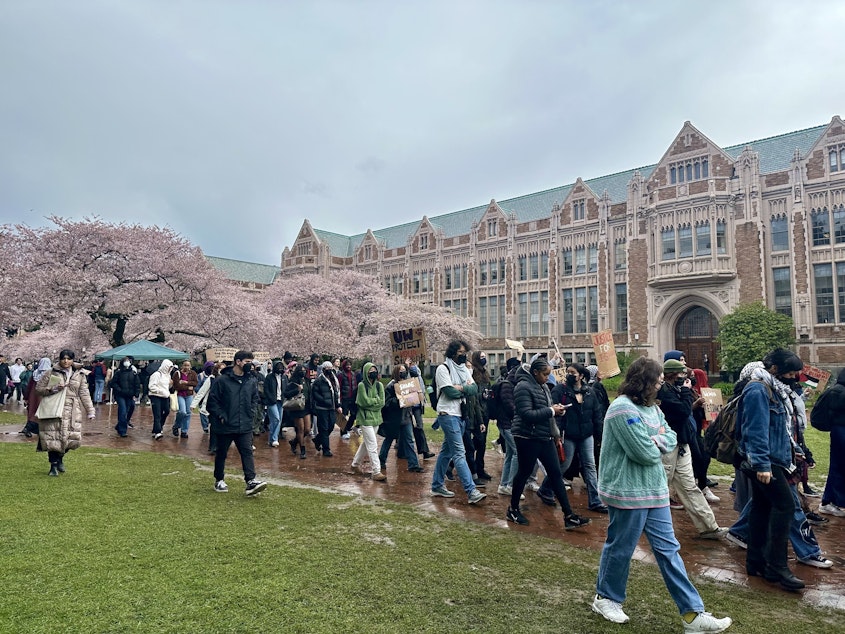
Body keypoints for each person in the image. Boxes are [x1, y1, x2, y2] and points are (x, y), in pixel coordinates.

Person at [591, 357, 732, 632]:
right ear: (644, 381)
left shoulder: (653, 409)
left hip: (655, 491)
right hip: (627, 490)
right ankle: (606, 597)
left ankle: (692, 613)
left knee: (670, 551)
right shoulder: (621, 409)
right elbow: (644, 452)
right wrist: (656, 439)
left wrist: (653, 438)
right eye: (657, 379)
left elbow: (671, 436)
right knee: (621, 548)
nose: (661, 384)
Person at [736, 347, 805, 590]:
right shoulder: (758, 389)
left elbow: (783, 428)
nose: (794, 378)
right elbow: (754, 429)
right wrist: (762, 465)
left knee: (762, 508)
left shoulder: (777, 389)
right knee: (784, 507)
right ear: (774, 369)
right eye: (790, 373)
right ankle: (777, 565)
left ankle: (755, 562)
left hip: (775, 458)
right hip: (765, 461)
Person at [506, 357, 590, 529]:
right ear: (535, 372)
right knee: (524, 472)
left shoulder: (542, 386)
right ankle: (513, 509)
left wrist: (555, 417)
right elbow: (526, 414)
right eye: (545, 374)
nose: (547, 378)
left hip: (544, 436)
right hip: (526, 437)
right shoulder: (523, 386)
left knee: (555, 474)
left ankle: (569, 515)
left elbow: (545, 411)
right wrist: (552, 410)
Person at [657, 358, 726, 539]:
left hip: (682, 444)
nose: (684, 377)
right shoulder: (664, 392)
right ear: (672, 374)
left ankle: (709, 527)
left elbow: (686, 410)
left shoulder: (676, 389)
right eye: (681, 374)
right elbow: (681, 411)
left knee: (689, 487)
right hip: (669, 447)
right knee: (659, 488)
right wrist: (687, 392)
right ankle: (650, 528)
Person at [538, 362, 607, 513]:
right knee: (564, 465)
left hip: (586, 435)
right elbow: (554, 414)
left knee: (590, 466)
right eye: (567, 371)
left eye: (572, 372)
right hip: (568, 435)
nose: (569, 375)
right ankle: (545, 488)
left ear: (581, 376)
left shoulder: (590, 392)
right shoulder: (560, 391)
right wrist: (557, 434)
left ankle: (595, 501)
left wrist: (600, 435)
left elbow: (597, 415)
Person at [430, 339, 487, 504]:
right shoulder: (443, 368)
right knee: (459, 453)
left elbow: (474, 389)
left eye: (465, 352)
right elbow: (448, 392)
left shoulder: (464, 369)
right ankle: (471, 491)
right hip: (447, 414)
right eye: (460, 353)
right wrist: (463, 390)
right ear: (453, 352)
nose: (463, 356)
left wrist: (460, 388)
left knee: (447, 452)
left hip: (461, 415)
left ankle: (436, 485)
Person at [206, 350, 267, 495]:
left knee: (247, 451)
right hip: (225, 424)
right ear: (238, 362)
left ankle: (251, 481)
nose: (250, 365)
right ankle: (219, 479)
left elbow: (254, 399)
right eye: (247, 362)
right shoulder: (222, 380)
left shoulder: (251, 380)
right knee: (221, 453)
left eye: (251, 362)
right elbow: (212, 402)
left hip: (244, 423)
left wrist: (250, 413)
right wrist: (221, 416)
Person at [34, 349, 96, 476]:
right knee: (53, 438)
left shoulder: (80, 374)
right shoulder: (51, 372)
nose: (66, 361)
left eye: (68, 358)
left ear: (73, 359)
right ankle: (53, 466)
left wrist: (90, 410)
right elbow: (39, 389)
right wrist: (52, 389)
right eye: (63, 358)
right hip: (54, 408)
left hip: (73, 409)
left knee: (72, 439)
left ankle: (61, 457)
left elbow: (84, 393)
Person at [379, 364, 424, 473]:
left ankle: (413, 464)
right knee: (389, 439)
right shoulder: (390, 386)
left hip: (406, 417)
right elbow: (387, 403)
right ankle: (381, 460)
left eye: (404, 370)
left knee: (409, 440)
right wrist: (400, 400)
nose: (403, 373)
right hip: (394, 419)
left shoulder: (408, 384)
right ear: (396, 372)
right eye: (401, 371)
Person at [351, 361, 387, 480]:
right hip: (365, 419)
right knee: (372, 445)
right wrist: (374, 401)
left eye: (374, 371)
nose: (373, 373)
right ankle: (376, 471)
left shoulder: (379, 385)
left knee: (366, 443)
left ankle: (355, 464)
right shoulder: (362, 385)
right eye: (370, 371)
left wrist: (372, 402)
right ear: (366, 373)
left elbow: (382, 402)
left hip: (376, 419)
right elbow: (363, 402)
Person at [818, 368, 845, 517]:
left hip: (838, 431)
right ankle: (829, 501)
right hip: (841, 431)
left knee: (837, 466)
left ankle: (829, 501)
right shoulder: (839, 392)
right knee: (838, 467)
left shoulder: (834, 390)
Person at [495, 357, 521, 496]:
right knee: (517, 453)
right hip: (507, 424)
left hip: (508, 424)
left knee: (511, 454)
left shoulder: (512, 384)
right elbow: (509, 406)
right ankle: (510, 485)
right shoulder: (507, 385)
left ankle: (504, 484)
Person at [469, 351, 492, 480]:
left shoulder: (485, 374)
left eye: (485, 357)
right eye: (482, 357)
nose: (484, 359)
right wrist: (481, 395)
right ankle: (473, 468)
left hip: (485, 410)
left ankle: (480, 468)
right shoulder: (473, 374)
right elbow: (472, 393)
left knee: (481, 443)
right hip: (477, 412)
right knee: (478, 441)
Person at [312, 360, 341, 457]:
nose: (329, 370)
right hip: (322, 408)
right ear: (323, 369)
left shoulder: (333, 380)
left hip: (331, 408)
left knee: (331, 426)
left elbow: (336, 393)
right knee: (324, 428)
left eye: (330, 368)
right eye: (327, 368)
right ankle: (326, 449)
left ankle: (318, 440)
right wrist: (324, 400)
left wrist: (338, 405)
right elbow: (315, 394)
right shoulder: (319, 381)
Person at [284, 362, 311, 459]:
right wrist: (297, 390)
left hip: (306, 407)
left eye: (304, 371)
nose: (303, 372)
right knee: (301, 429)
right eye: (301, 371)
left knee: (307, 430)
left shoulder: (307, 380)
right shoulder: (293, 381)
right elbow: (286, 394)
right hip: (297, 407)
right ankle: (302, 449)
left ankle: (294, 442)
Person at [408, 361, 434, 459]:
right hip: (409, 404)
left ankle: (424, 450)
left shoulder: (418, 372)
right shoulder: (404, 371)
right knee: (407, 429)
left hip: (417, 404)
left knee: (419, 426)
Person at [109, 356, 140, 437]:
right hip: (120, 395)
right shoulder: (118, 373)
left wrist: (136, 393)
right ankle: (123, 430)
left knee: (128, 409)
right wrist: (119, 390)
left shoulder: (133, 373)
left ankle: (120, 425)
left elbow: (137, 384)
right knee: (122, 411)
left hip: (129, 395)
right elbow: (113, 383)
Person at [22, 358, 51, 438]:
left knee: (33, 412)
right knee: (41, 413)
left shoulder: (35, 373)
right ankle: (28, 428)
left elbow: (29, 386)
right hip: (44, 396)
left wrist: (26, 397)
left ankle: (35, 429)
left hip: (33, 396)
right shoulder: (50, 374)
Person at [148, 359, 174, 440]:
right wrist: (160, 391)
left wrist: (170, 385)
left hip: (165, 396)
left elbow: (167, 387)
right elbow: (151, 386)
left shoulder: (168, 376)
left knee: (166, 411)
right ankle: (157, 432)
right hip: (156, 396)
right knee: (157, 414)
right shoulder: (156, 374)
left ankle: (158, 426)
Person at [263, 361, 286, 447]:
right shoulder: (269, 377)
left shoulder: (284, 377)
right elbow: (266, 389)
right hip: (272, 401)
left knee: (277, 420)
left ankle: (271, 439)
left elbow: (286, 388)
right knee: (276, 419)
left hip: (281, 401)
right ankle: (274, 438)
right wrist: (270, 398)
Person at [337, 358, 358, 439]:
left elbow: (355, 385)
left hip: (352, 398)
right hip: (344, 398)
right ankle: (343, 432)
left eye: (350, 365)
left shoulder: (353, 374)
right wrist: (340, 399)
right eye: (347, 365)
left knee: (354, 414)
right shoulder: (341, 375)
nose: (349, 366)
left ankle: (348, 428)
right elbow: (338, 387)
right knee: (343, 416)